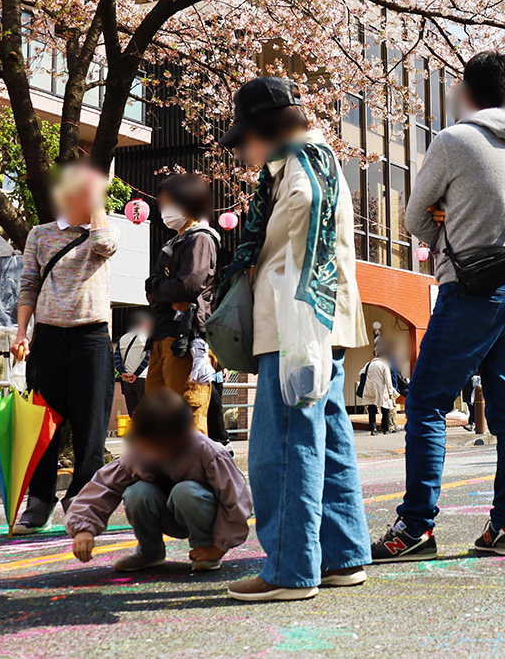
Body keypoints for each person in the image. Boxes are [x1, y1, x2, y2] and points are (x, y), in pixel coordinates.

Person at [373, 51, 505, 563]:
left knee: (426, 403)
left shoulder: (453, 140)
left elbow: (413, 218)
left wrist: (447, 220)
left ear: (467, 92)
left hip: (467, 288)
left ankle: (417, 526)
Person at [219, 76, 370, 601]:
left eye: (245, 141)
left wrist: (300, 323)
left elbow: (305, 217)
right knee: (325, 437)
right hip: (317, 325)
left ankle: (289, 568)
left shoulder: (302, 163)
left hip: (296, 326)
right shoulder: (319, 158)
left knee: (282, 444)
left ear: (267, 130)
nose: (244, 154)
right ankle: (342, 555)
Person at [10, 160, 118, 534]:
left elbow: (105, 246)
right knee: (44, 424)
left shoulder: (102, 230)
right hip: (49, 337)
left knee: (91, 427)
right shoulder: (40, 235)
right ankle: (39, 502)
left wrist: (96, 208)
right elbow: (28, 285)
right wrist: (22, 332)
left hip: (92, 337)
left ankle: (81, 500)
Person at [66, 390, 252, 572]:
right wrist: (84, 528)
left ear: (182, 438)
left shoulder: (209, 452)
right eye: (145, 443)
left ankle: (204, 547)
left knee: (185, 491)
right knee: (137, 493)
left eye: (158, 445)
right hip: (166, 516)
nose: (151, 452)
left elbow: (236, 500)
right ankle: (150, 551)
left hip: (203, 516)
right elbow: (103, 486)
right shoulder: (138, 453)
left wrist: (219, 547)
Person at [145, 173, 220, 434]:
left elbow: (188, 285)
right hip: (163, 334)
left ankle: (191, 475)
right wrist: (162, 290)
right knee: (158, 416)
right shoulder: (174, 241)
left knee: (187, 413)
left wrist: (158, 288)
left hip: (185, 338)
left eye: (170, 202)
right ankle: (165, 474)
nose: (165, 210)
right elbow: (151, 288)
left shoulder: (200, 238)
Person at [114, 310, 152, 419]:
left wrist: (123, 373)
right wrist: (136, 374)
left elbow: (116, 358)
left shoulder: (123, 339)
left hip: (127, 381)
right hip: (142, 378)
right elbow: (149, 358)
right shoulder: (146, 337)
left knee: (133, 412)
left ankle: (137, 434)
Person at [358, 355, 397, 435]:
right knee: (385, 408)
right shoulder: (384, 365)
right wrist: (390, 393)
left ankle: (373, 429)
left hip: (370, 388)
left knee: (371, 409)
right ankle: (385, 429)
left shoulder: (368, 364)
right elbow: (388, 380)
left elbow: (360, 373)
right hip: (381, 389)